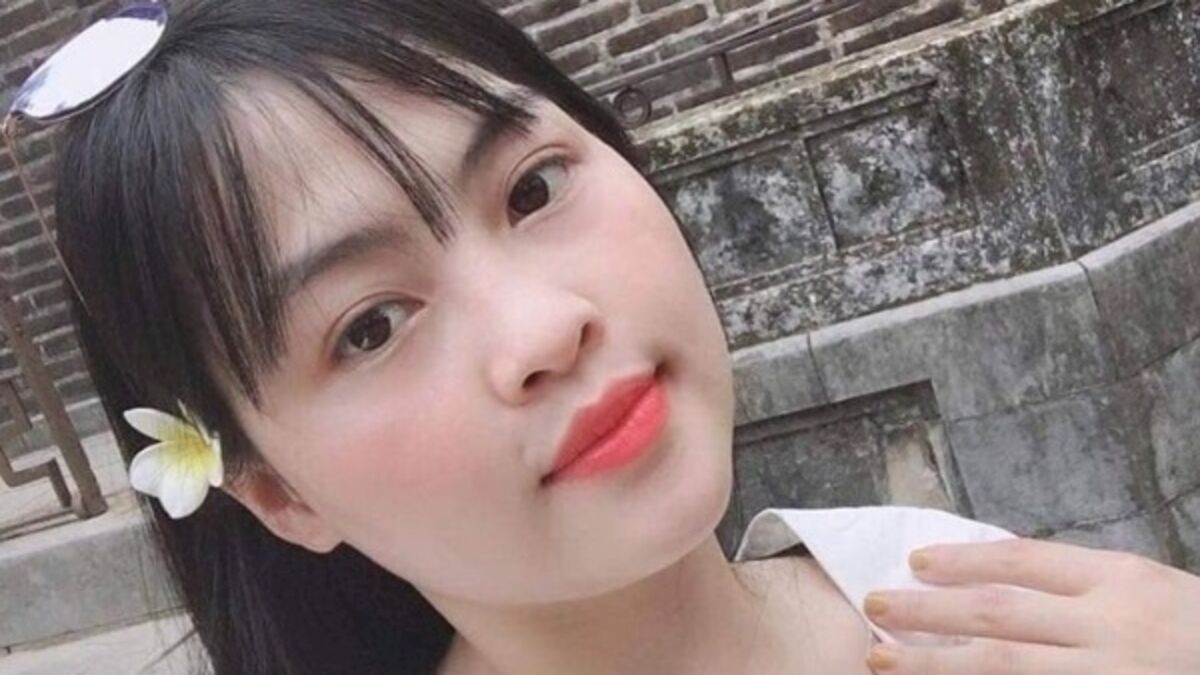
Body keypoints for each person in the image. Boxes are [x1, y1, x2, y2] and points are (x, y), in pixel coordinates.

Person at [5, 0, 1199, 673]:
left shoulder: (963, 592)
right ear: (277, 494)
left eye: (531, 189)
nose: (546, 328)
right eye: (369, 327)